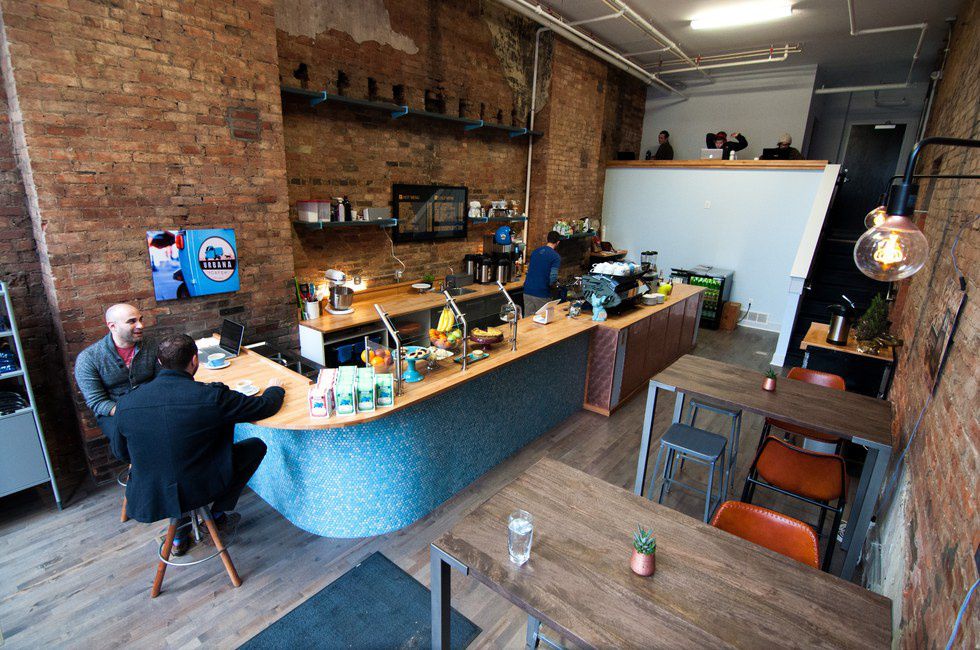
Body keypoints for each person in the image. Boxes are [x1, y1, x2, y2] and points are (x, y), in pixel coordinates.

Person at [115, 334, 285, 555]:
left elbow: (120, 452)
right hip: (203, 486)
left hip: (151, 494)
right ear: (195, 360)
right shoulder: (212, 397)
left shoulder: (126, 403)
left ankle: (178, 535)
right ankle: (215, 515)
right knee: (255, 446)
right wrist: (275, 389)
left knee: (176, 470)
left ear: (159, 361)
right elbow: (264, 407)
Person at [74, 303, 159, 460]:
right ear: (112, 326)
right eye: (132, 321)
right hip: (114, 411)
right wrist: (132, 412)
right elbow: (97, 402)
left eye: (140, 319)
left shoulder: (152, 345)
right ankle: (139, 471)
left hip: (151, 405)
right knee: (131, 443)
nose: (141, 325)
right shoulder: (88, 358)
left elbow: (162, 380)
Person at [523, 231, 562, 316]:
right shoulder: (555, 257)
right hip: (542, 293)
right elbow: (553, 277)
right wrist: (554, 287)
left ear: (547, 239)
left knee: (528, 320)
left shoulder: (535, 252)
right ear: (558, 242)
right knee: (542, 319)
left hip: (527, 290)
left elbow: (530, 269)